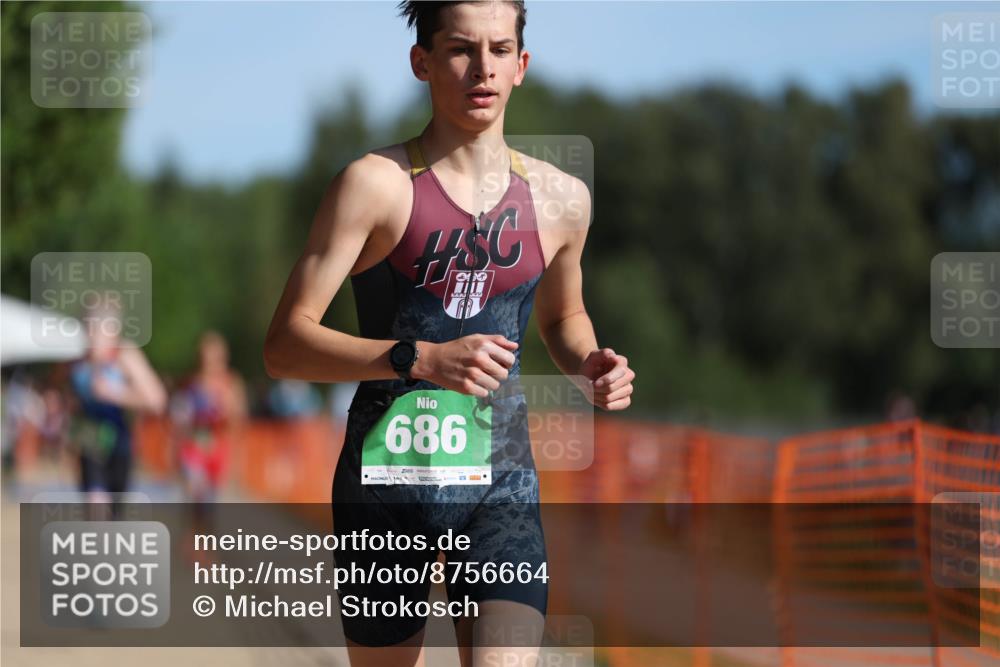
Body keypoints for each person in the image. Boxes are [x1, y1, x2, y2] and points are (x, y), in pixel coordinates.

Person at [264, 2, 636, 665]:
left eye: (500, 50)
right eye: (462, 49)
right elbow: (285, 345)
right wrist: (420, 358)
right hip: (384, 487)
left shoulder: (560, 199)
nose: (482, 68)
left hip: (500, 489)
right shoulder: (373, 186)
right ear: (422, 62)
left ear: (522, 66)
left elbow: (560, 317)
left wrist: (590, 361)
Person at [69, 297, 166, 512]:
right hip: (90, 443)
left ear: (112, 329)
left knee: (113, 514)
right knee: (95, 506)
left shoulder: (124, 355)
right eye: (87, 326)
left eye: (96, 327)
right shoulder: (78, 360)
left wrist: (116, 394)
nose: (91, 334)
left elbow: (157, 400)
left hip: (120, 444)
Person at [170, 331, 247, 505]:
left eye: (214, 358)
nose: (209, 363)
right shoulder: (190, 382)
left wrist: (228, 407)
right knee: (194, 501)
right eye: (204, 357)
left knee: (211, 508)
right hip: (193, 448)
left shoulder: (231, 383)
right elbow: (179, 418)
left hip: (220, 449)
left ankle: (205, 530)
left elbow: (239, 420)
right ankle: (192, 530)